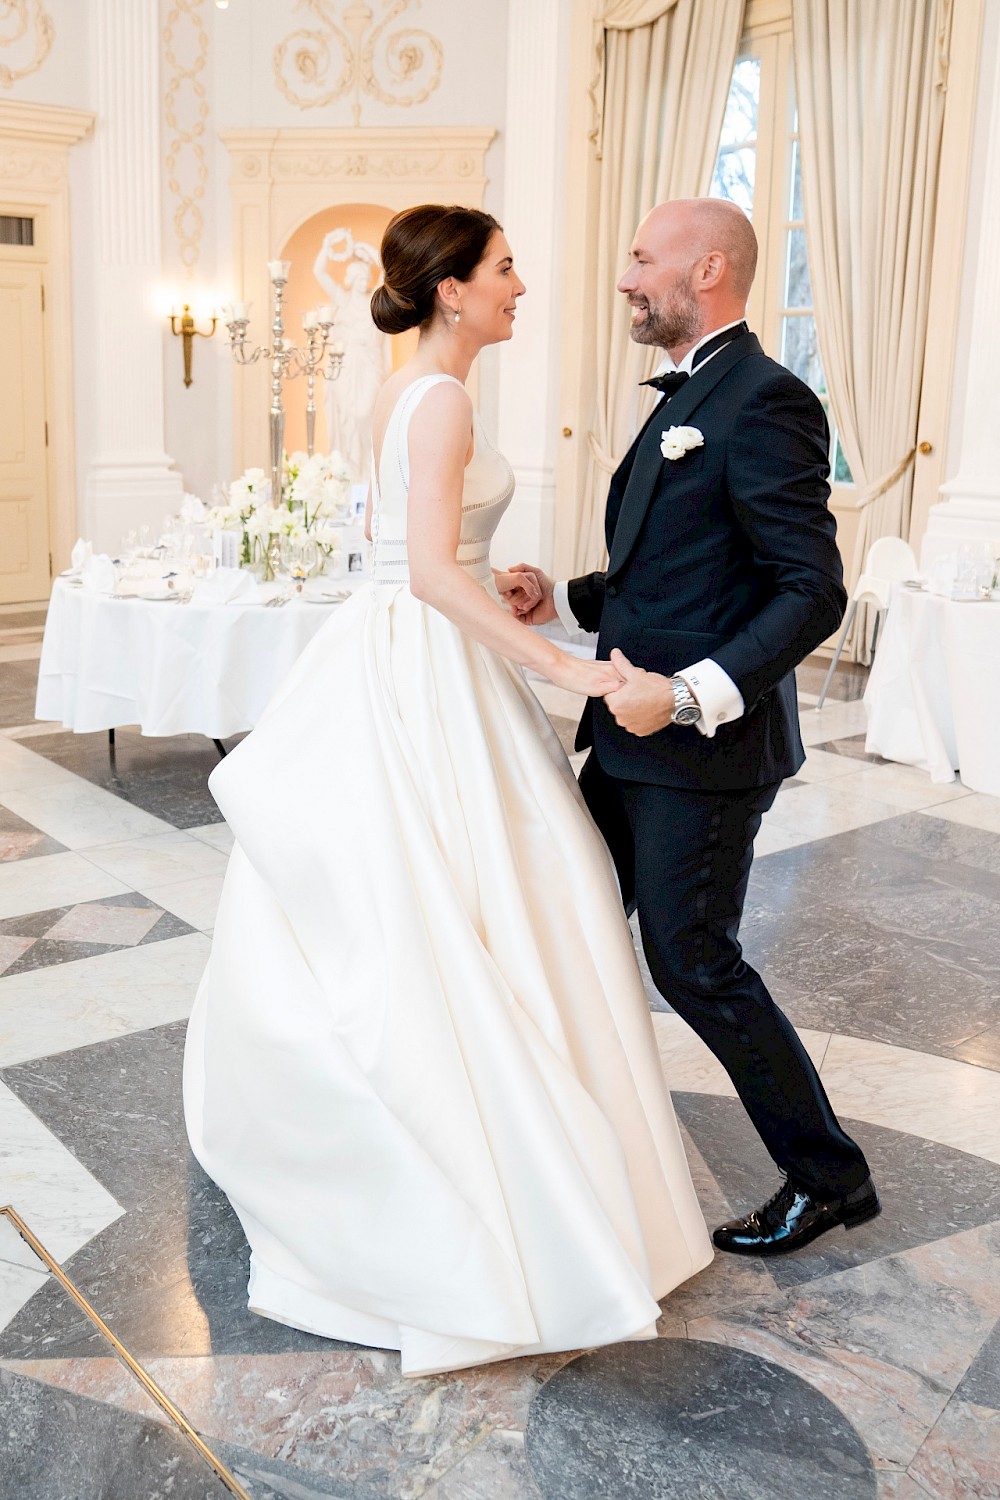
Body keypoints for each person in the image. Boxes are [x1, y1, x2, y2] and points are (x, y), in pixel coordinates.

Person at [184, 203, 713, 1379]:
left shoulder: (417, 390)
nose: (522, 286)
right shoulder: (442, 396)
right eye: (506, 270)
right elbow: (425, 571)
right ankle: (492, 1163)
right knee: (489, 898)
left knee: (503, 892)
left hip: (426, 650)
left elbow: (434, 556)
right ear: (450, 291)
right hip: (429, 662)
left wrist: (514, 589)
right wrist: (562, 666)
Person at [507, 198, 880, 1257]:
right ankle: (566, 1147)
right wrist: (565, 599)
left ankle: (829, 1178)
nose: (624, 277)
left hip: (700, 752)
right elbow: (674, 570)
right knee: (573, 925)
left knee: (695, 965)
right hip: (628, 739)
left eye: (640, 258)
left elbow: (809, 591)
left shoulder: (765, 400)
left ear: (705, 269)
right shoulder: (694, 391)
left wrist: (682, 695)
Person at [313, 230, 391, 481]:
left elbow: (388, 272)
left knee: (364, 415)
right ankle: (348, 475)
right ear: (349, 279)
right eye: (357, 276)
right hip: (346, 366)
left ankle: (368, 473)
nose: (361, 280)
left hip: (370, 364)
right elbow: (319, 272)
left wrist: (365, 248)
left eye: (364, 276)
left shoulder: (375, 301)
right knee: (347, 418)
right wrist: (327, 245)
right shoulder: (342, 299)